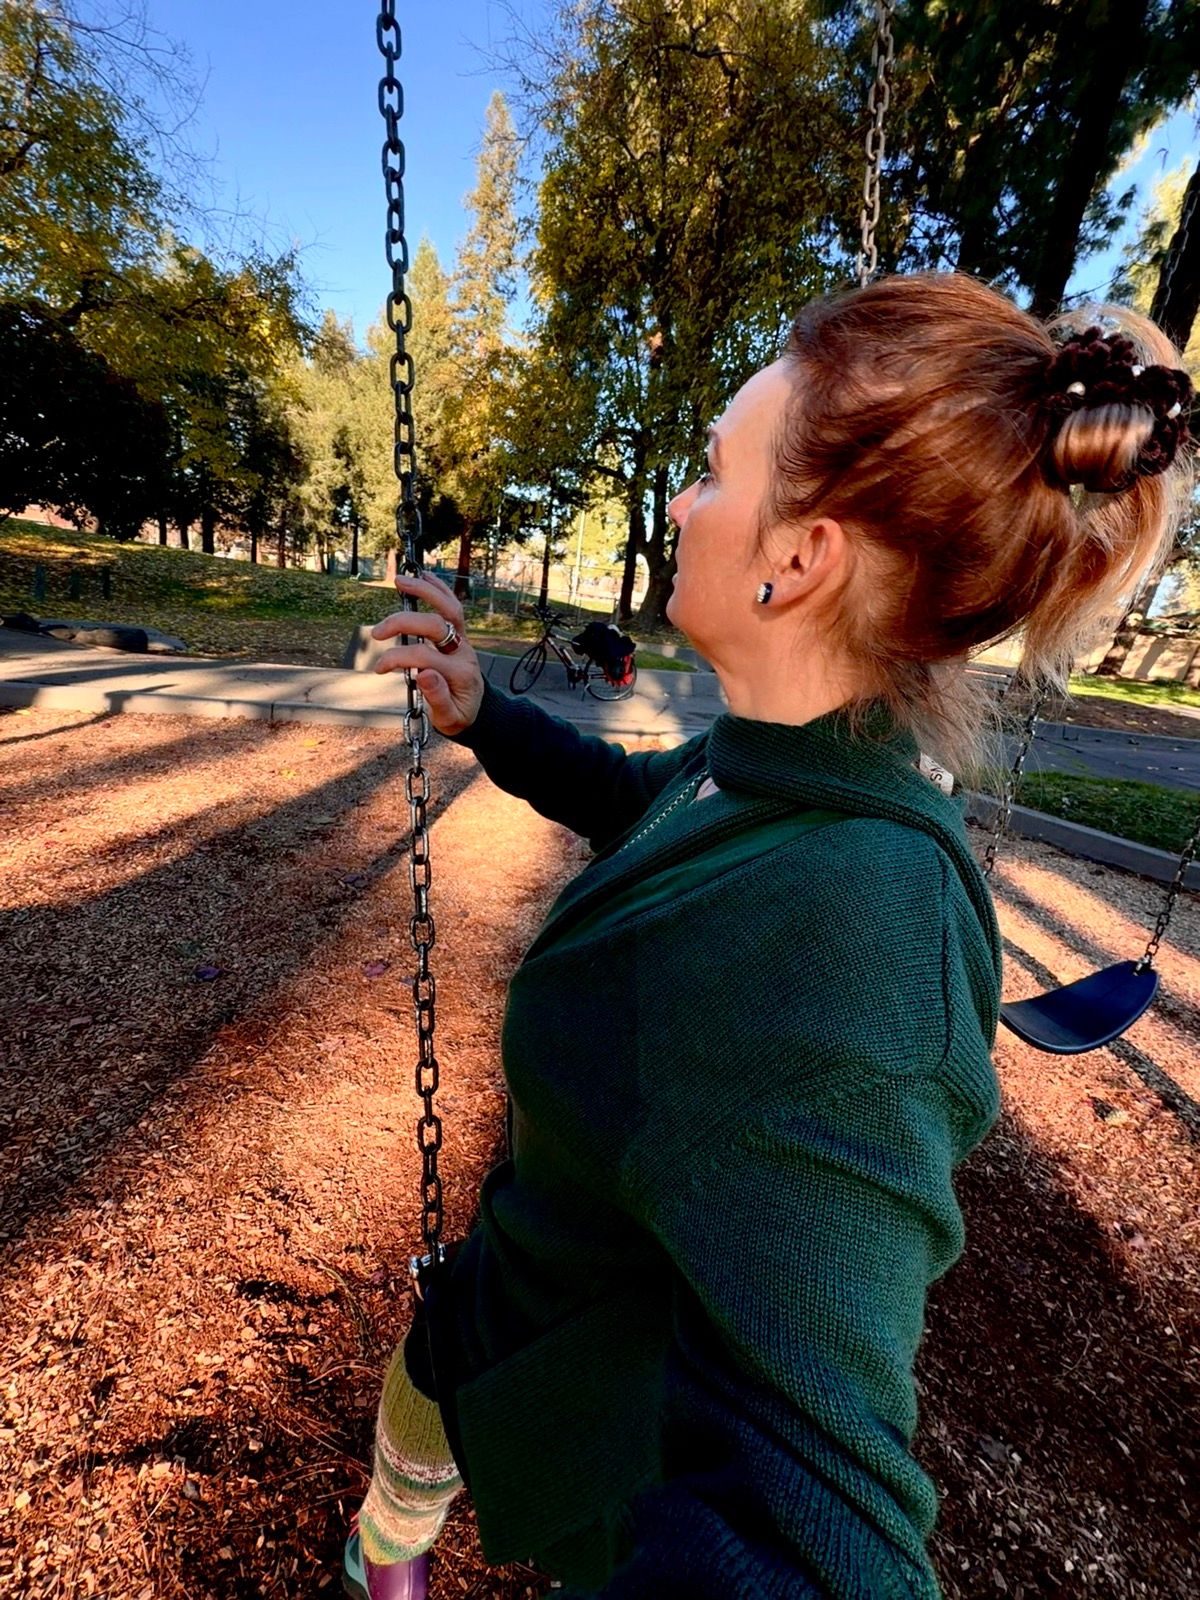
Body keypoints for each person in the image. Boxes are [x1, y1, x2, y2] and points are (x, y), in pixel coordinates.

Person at [342, 273, 1194, 1600]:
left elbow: (819, 1520)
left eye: (712, 472)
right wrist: (482, 715)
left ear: (799, 561)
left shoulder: (857, 937)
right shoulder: (784, 761)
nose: (682, 507)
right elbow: (646, 804)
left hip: (602, 1385)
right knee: (419, 1425)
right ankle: (386, 1544)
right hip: (518, 1280)